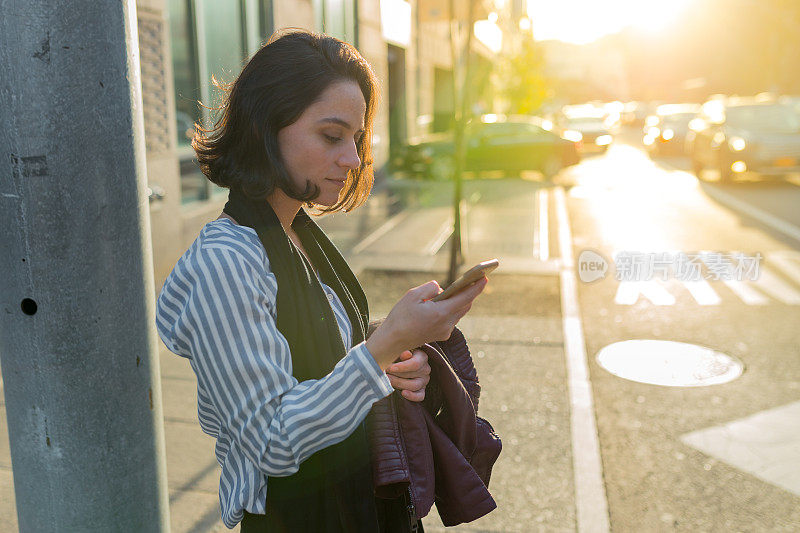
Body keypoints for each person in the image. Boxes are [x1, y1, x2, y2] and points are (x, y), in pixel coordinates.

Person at [155, 29, 487, 532]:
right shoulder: (226, 261)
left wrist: (397, 352)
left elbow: (333, 366)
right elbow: (270, 439)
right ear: (266, 127)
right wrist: (384, 347)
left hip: (364, 507)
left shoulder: (300, 234)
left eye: (355, 139)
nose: (352, 159)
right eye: (332, 137)